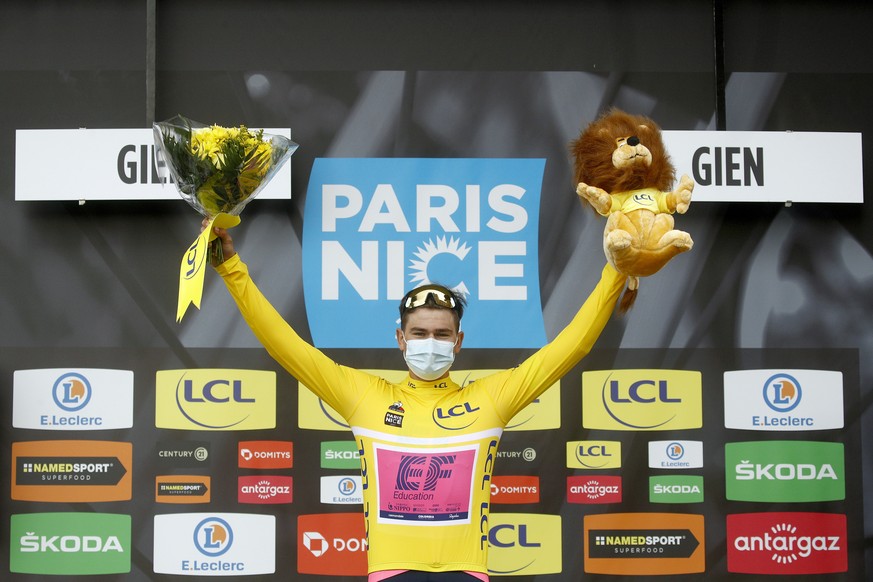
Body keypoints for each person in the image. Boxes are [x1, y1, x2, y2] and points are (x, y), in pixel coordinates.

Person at [205, 219, 626, 581]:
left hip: (467, 571)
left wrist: (615, 274)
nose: (431, 343)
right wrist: (231, 269)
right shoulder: (364, 396)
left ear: (458, 342)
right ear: (400, 339)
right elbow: (285, 346)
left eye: (442, 334)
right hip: (392, 570)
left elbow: (572, 346)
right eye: (420, 333)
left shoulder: (492, 397)